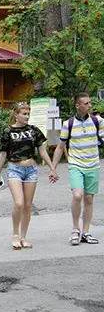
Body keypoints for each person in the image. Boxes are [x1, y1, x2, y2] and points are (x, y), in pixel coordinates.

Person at [0, 103, 56, 250]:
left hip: (31, 170)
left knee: (28, 205)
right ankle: (15, 235)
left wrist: (52, 168)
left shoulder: (33, 130)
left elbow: (42, 150)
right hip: (15, 168)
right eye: (24, 114)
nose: (27, 116)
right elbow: (3, 154)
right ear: (16, 115)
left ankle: (24, 237)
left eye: (28, 114)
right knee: (19, 203)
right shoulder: (8, 131)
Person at [49, 92, 104, 246]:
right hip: (76, 164)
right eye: (86, 103)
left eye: (90, 103)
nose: (90, 105)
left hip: (93, 164)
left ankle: (86, 232)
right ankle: (75, 229)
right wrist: (53, 168)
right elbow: (60, 147)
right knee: (78, 195)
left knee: (88, 198)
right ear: (77, 106)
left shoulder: (97, 121)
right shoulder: (69, 124)